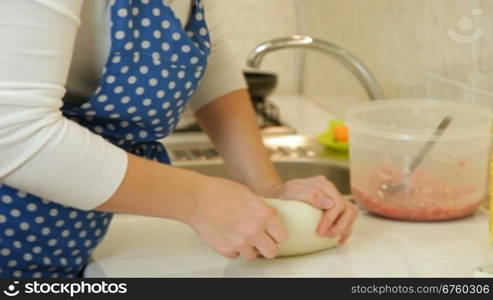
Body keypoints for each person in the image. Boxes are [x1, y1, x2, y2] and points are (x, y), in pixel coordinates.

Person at [0, 0, 357, 278]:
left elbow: (208, 58)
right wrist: (199, 201)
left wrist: (265, 185)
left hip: (56, 252)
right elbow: (13, 132)